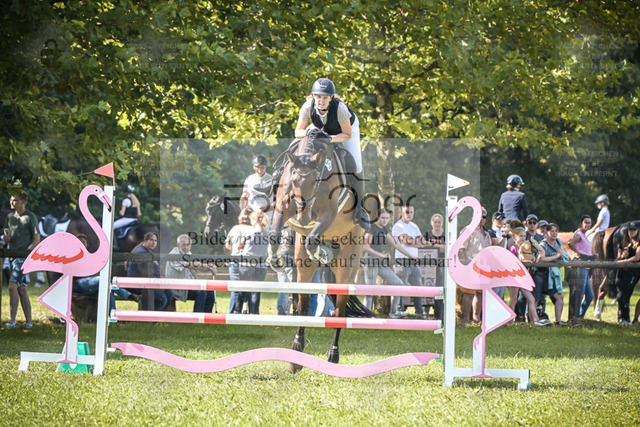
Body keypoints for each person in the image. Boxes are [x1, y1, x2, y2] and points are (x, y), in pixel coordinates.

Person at [256, 78, 368, 228]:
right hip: (318, 127)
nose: (321, 101)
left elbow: (347, 135)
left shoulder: (340, 109)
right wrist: (311, 135)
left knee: (357, 166)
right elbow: (298, 132)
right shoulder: (308, 106)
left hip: (344, 130)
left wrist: (328, 138)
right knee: (292, 148)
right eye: (318, 96)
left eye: (325, 97)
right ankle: (273, 181)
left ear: (331, 98)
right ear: (313, 96)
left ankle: (360, 208)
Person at [362, 209, 415, 318]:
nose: (385, 220)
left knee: (399, 284)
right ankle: (366, 316)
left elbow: (396, 244)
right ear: (378, 217)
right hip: (370, 260)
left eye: (387, 218)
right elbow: (365, 247)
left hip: (380, 262)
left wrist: (411, 256)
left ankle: (394, 312)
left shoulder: (384, 229)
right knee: (370, 290)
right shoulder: (371, 228)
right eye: (383, 218)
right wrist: (382, 255)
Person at [72, 233, 140, 310]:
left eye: (84, 242)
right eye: (80, 242)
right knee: (105, 281)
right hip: (79, 284)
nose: (82, 244)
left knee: (108, 290)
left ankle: (112, 313)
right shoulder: (73, 255)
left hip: (93, 283)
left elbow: (96, 271)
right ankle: (128, 295)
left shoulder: (89, 256)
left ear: (87, 244)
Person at [3, 191, 40, 329]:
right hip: (12, 257)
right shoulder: (9, 217)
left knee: (12, 286)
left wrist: (26, 254)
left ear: (23, 201)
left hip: (23, 259)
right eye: (11, 200)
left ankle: (11, 321)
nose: (11, 202)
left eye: (15, 200)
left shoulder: (30, 217)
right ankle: (29, 323)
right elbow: (5, 235)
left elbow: (36, 239)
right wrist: (5, 238)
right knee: (22, 289)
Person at [392, 205, 429, 318]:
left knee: (417, 286)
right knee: (400, 287)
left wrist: (415, 242)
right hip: (402, 261)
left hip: (414, 261)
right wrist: (416, 242)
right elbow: (407, 241)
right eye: (407, 212)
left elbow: (423, 241)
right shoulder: (398, 226)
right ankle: (399, 311)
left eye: (411, 212)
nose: (409, 214)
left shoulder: (414, 226)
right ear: (401, 213)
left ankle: (419, 313)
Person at [165, 234, 217, 313]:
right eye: (183, 245)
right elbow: (189, 265)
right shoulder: (174, 254)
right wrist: (207, 265)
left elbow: (199, 266)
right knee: (201, 292)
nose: (186, 247)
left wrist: (211, 268)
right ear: (178, 245)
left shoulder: (188, 254)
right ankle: (197, 316)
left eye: (188, 245)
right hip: (177, 288)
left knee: (210, 291)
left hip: (188, 285)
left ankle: (206, 316)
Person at [509, 227, 550, 326]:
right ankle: (510, 321)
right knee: (514, 299)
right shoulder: (513, 249)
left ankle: (535, 320)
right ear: (515, 237)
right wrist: (523, 262)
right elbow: (511, 262)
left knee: (531, 299)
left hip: (523, 278)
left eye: (524, 236)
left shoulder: (527, 248)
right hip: (515, 277)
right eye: (521, 236)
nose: (523, 238)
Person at [458, 206, 491, 323]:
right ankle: (466, 320)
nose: (482, 219)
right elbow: (461, 249)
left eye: (484, 217)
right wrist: (464, 265)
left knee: (480, 294)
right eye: (479, 216)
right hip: (470, 264)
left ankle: (476, 319)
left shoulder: (487, 233)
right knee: (468, 294)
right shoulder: (468, 230)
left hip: (484, 266)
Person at [234, 210, 270, 314]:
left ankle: (237, 311)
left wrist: (243, 249)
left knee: (242, 290)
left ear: (255, 220)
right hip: (261, 266)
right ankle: (254, 314)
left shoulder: (249, 232)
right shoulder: (267, 234)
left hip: (247, 265)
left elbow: (239, 246)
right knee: (256, 291)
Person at [126, 232, 172, 311]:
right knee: (162, 299)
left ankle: (157, 316)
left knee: (169, 293)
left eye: (155, 241)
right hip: (137, 284)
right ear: (145, 240)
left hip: (148, 283)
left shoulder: (148, 252)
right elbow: (144, 274)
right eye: (151, 240)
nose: (154, 243)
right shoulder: (141, 253)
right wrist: (159, 284)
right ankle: (147, 316)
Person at [538, 223, 568, 326]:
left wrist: (560, 256)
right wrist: (556, 256)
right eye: (552, 231)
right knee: (536, 298)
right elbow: (542, 258)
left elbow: (562, 256)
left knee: (560, 296)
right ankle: (533, 320)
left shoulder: (559, 242)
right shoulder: (543, 244)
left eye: (556, 231)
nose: (554, 233)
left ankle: (558, 321)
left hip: (554, 275)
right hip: (542, 274)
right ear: (547, 232)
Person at [224, 208, 253, 312]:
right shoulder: (253, 229)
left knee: (235, 290)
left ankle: (232, 313)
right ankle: (249, 312)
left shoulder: (234, 228)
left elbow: (227, 246)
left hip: (234, 262)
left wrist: (234, 248)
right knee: (249, 289)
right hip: (247, 263)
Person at [612, 221, 640, 325]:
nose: (632, 232)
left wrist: (624, 261)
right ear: (627, 231)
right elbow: (618, 257)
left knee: (625, 296)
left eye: (634, 230)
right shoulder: (623, 243)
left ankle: (626, 319)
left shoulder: (639, 243)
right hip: (621, 272)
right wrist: (623, 255)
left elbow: (637, 258)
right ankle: (622, 319)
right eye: (630, 230)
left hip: (632, 273)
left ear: (637, 231)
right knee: (620, 296)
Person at [567, 215, 595, 318]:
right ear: (581, 223)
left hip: (586, 268)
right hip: (581, 268)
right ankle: (575, 317)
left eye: (589, 223)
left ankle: (580, 316)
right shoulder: (579, 234)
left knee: (590, 296)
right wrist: (577, 253)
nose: (587, 224)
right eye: (585, 222)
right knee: (580, 294)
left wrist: (592, 256)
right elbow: (570, 242)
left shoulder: (584, 235)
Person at [240, 155, 273, 221]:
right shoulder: (249, 179)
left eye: (262, 167)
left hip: (266, 213)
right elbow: (244, 196)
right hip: (251, 212)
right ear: (254, 167)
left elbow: (277, 200)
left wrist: (268, 208)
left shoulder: (271, 179)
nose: (260, 170)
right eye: (257, 167)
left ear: (266, 167)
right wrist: (242, 212)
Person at [276, 225, 296, 315]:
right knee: (294, 287)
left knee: (283, 288)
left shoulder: (279, 228)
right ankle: (295, 309)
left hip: (280, 258)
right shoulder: (293, 228)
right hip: (290, 258)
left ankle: (281, 311)